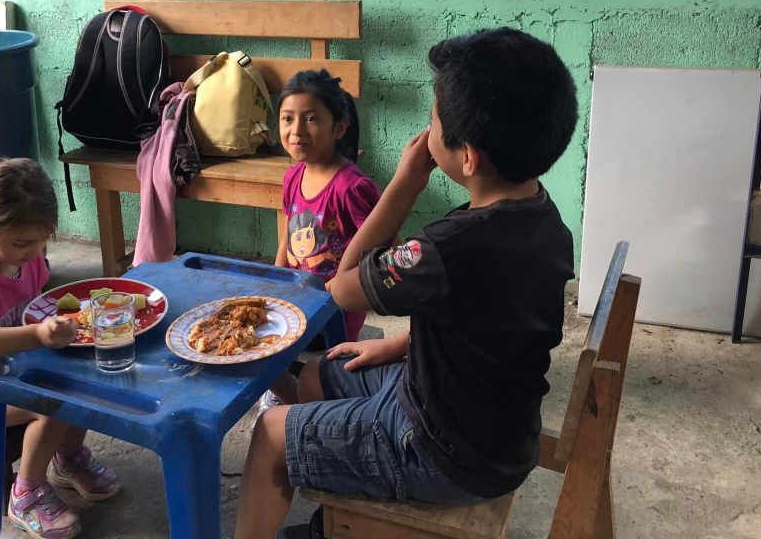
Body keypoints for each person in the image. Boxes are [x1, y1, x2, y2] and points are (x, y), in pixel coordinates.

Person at [234, 28, 578, 539]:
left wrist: (404, 183)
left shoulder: (442, 248)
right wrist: (396, 344)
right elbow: (492, 324)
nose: (425, 131)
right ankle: (336, 521)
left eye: (433, 119)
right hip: (492, 429)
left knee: (270, 432)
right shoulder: (546, 221)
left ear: (468, 157)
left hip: (441, 451)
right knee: (317, 376)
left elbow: (341, 287)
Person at [0, 158, 120, 539]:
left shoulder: (25, 260)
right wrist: (35, 335)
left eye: (42, 241)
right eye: (22, 243)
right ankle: (26, 494)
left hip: (17, 370)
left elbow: (40, 303)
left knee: (88, 375)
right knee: (55, 401)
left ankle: (67, 458)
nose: (34, 252)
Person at [261, 70, 381, 411]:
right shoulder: (293, 175)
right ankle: (286, 388)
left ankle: (304, 398)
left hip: (335, 310)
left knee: (288, 360)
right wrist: (277, 279)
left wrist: (343, 287)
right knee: (249, 335)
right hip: (298, 294)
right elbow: (289, 230)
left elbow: (380, 245)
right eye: (288, 118)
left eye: (311, 119)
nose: (297, 130)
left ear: (339, 128)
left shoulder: (352, 187)